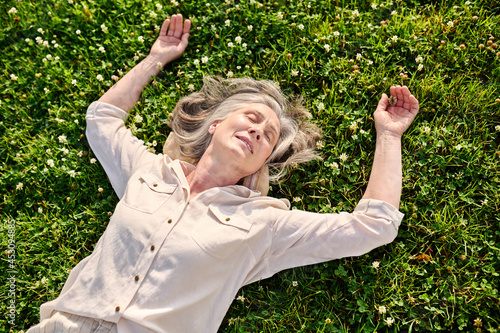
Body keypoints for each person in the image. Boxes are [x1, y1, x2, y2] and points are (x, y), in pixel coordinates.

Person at [27, 14, 419, 333]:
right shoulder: (149, 172)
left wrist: (388, 135)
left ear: (261, 163)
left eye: (267, 137)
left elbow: (374, 226)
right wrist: (157, 57)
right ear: (215, 124)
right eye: (251, 118)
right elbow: (102, 121)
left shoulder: (263, 223)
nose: (257, 131)